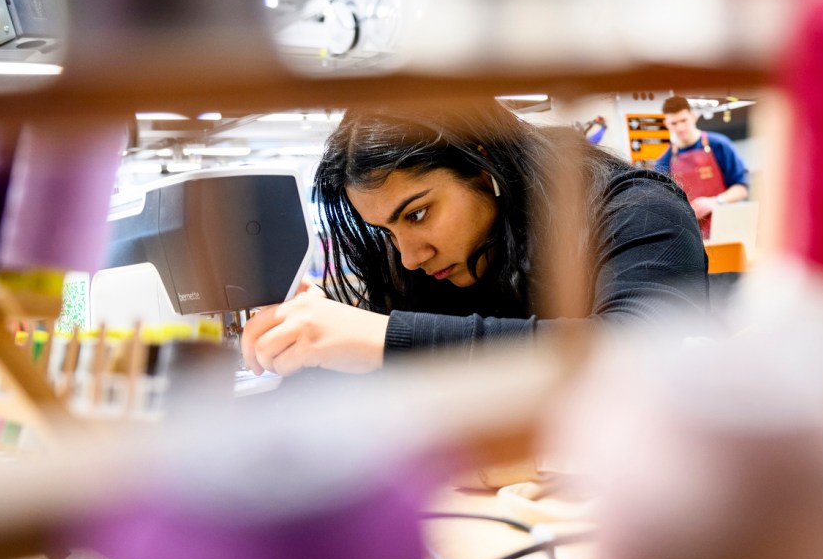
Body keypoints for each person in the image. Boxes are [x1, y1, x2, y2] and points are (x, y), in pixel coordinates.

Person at [241, 98, 709, 377]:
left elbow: (638, 354)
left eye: (419, 213)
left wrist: (385, 338)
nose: (408, 257)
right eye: (388, 231)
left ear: (484, 167)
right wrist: (314, 346)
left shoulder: (639, 211)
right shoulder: (425, 263)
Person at [653, 96, 750, 238]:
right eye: (674, 123)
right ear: (666, 123)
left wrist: (715, 202)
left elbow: (742, 189)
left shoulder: (719, 145)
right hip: (691, 237)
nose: (680, 127)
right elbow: (664, 208)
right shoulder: (663, 162)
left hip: (728, 230)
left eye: (683, 120)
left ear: (693, 117)